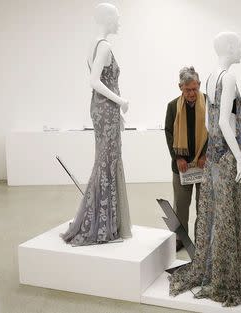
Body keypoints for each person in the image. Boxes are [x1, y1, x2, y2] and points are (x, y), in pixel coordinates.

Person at [168, 32, 241, 307]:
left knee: (215, 214)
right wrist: (240, 158)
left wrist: (213, 149)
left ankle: (214, 269)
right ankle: (227, 277)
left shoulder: (212, 77)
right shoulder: (228, 77)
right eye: (238, 45)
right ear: (228, 47)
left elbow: (208, 123)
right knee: (227, 215)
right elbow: (225, 121)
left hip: (214, 156)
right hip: (226, 156)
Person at [61, 3, 132, 245]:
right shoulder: (105, 47)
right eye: (118, 18)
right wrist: (121, 101)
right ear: (108, 18)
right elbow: (94, 81)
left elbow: (97, 81)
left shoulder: (92, 45)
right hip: (106, 109)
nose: (120, 22)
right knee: (107, 162)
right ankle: (103, 226)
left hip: (101, 109)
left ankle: (106, 223)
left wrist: (117, 112)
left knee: (105, 161)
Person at [165, 66, 208, 252]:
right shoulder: (173, 106)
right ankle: (180, 239)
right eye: (188, 89)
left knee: (204, 205)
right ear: (180, 87)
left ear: (199, 85)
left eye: (195, 88)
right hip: (182, 166)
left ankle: (202, 239)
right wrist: (178, 157)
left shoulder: (208, 102)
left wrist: (206, 154)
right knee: (181, 205)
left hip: (203, 163)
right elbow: (169, 132)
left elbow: (214, 131)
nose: (192, 93)